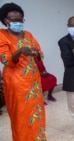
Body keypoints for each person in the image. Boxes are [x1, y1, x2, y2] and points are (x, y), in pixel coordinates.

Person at [0, 3, 46, 140]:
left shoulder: (28, 34)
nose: (18, 22)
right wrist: (19, 51)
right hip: (16, 83)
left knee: (36, 113)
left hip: (33, 83)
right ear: (5, 20)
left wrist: (36, 53)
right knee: (20, 116)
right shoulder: (2, 35)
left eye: (20, 20)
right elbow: (5, 59)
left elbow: (40, 55)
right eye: (14, 20)